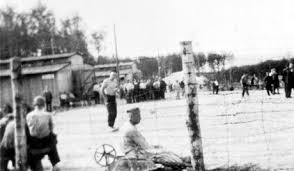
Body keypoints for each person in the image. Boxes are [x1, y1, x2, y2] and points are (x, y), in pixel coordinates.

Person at [120, 107, 189, 168]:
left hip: (129, 152)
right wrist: (157, 149)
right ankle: (181, 161)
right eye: (138, 115)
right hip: (135, 155)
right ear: (133, 116)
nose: (140, 118)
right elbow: (145, 146)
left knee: (161, 150)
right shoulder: (131, 130)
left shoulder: (125, 125)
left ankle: (181, 158)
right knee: (164, 153)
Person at [26, 96, 60, 171]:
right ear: (43, 105)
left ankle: (30, 165)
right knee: (52, 137)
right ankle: (54, 163)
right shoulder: (48, 115)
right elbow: (51, 129)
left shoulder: (28, 115)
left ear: (34, 105)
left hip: (33, 143)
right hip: (46, 142)